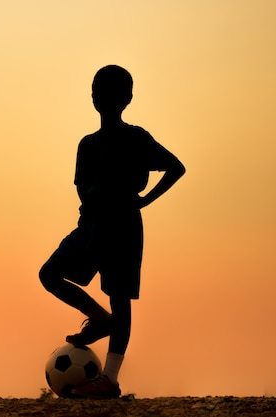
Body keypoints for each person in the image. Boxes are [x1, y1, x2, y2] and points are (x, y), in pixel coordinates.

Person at [39, 65, 185, 399]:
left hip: (122, 226)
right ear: (93, 97)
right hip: (90, 225)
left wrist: (145, 199)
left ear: (126, 98)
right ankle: (99, 319)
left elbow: (176, 166)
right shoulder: (87, 144)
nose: (99, 95)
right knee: (49, 274)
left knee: (121, 300)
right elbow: (82, 188)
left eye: (106, 90)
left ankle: (109, 378)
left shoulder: (136, 138)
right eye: (96, 89)